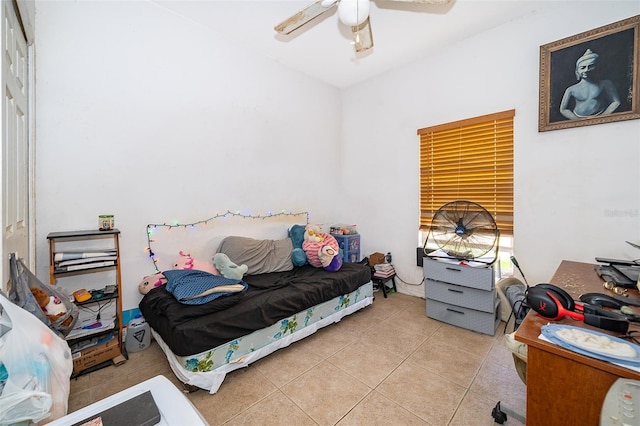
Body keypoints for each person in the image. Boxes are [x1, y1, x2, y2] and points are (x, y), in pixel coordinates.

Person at [559, 49, 621, 119]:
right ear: (577, 71)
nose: (586, 70)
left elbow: (616, 102)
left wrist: (603, 116)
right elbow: (563, 109)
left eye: (590, 66)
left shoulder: (605, 84)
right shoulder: (571, 89)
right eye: (583, 67)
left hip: (599, 116)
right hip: (577, 118)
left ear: (597, 68)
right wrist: (576, 120)